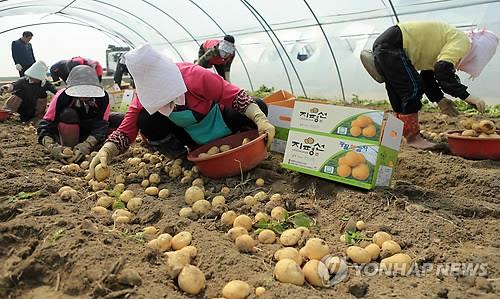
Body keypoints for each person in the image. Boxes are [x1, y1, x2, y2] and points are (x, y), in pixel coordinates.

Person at [86, 44, 274, 180]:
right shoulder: (141, 97)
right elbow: (126, 131)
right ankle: (183, 159)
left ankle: (243, 146)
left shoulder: (194, 75)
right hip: (190, 139)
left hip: (221, 122)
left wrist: (260, 118)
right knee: (146, 120)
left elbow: (235, 96)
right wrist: (107, 151)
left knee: (258, 104)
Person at [360, 21, 499, 149]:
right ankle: (413, 138)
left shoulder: (446, 42)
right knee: (412, 89)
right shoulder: (463, 42)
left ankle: (396, 135)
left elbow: (428, 77)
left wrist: (440, 100)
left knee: (399, 91)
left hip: (389, 43)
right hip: (395, 44)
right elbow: (442, 69)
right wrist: (467, 96)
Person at [37, 65, 123, 162]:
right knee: (68, 113)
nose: (84, 95)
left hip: (90, 129)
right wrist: (51, 146)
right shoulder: (62, 96)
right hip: (68, 130)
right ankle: (70, 149)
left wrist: (88, 144)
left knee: (122, 119)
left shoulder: (103, 97)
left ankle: (99, 145)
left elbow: (102, 123)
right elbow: (46, 123)